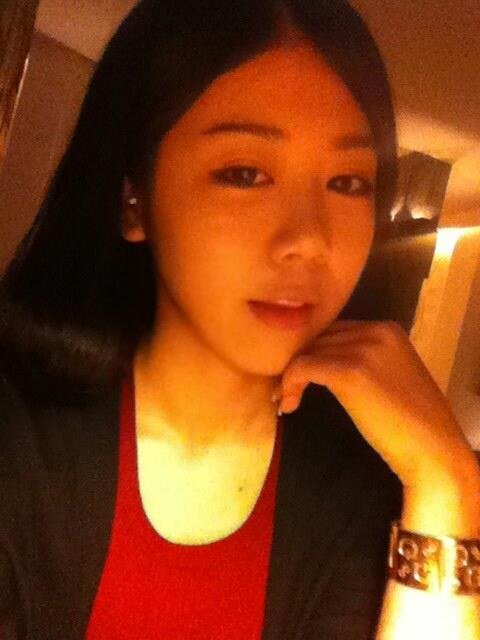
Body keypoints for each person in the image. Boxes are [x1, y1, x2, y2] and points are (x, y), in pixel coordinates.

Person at [0, 1, 479, 638]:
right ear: (134, 201)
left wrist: (446, 480)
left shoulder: (370, 483)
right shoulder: (18, 436)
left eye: (348, 183)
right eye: (245, 174)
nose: (309, 240)